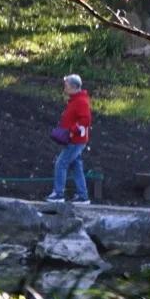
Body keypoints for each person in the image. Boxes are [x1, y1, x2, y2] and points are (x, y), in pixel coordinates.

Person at [46, 74, 93, 204]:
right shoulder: (76, 99)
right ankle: (83, 195)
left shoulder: (80, 101)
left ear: (73, 87)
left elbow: (86, 119)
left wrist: (73, 130)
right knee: (76, 166)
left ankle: (58, 193)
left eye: (66, 86)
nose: (64, 88)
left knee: (61, 163)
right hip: (75, 140)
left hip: (76, 140)